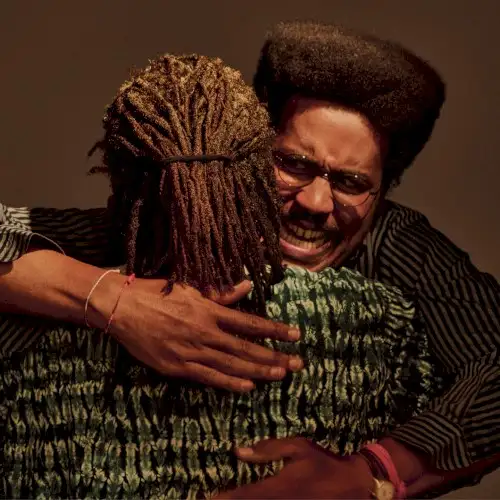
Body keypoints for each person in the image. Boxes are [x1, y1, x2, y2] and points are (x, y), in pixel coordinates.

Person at [0, 20, 499, 498]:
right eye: (294, 164)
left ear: (383, 192)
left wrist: (375, 472)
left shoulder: (396, 243)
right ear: (247, 152)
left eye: (351, 183)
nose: (316, 203)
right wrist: (112, 300)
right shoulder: (166, 219)